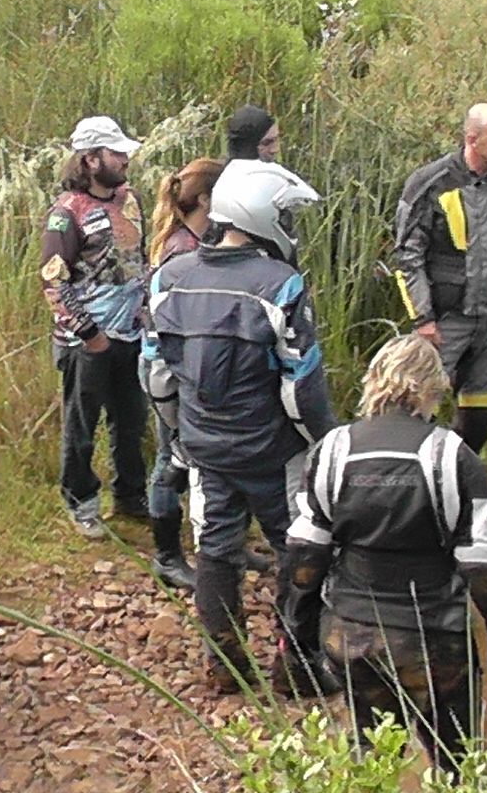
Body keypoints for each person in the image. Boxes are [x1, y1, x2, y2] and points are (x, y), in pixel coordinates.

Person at [284, 333, 487, 777]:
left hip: (353, 637)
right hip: (436, 639)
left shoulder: (332, 450)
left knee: (372, 760)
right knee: (457, 765)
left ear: (373, 383)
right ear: (432, 389)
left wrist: (298, 636)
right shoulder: (453, 457)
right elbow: (482, 569)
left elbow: (305, 558)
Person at [145, 158, 337, 695]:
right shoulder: (280, 285)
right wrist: (326, 442)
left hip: (206, 450)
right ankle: (295, 671)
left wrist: (184, 435)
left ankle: (224, 669)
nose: (291, 227)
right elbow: (302, 386)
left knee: (215, 549)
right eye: (285, 216)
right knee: (298, 548)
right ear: (260, 216)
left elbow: (156, 376)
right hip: (274, 453)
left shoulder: (169, 277)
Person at [391, 104, 487, 453]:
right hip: (443, 320)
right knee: (417, 410)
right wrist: (422, 318)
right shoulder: (431, 183)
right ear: (472, 139)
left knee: (477, 426)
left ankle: (457, 485)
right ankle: (407, 486)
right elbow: (407, 256)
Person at [43, 115, 151, 540]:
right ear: (89, 160)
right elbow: (53, 280)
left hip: (132, 332)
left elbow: (142, 257)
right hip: (85, 341)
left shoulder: (132, 200)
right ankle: (81, 502)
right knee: (81, 424)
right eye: (115, 152)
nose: (124, 160)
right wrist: (90, 333)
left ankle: (131, 495)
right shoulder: (65, 213)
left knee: (132, 421)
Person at [143, 157, 226, 592]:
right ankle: (167, 555)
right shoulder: (182, 249)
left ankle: (214, 543)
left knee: (191, 456)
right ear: (208, 199)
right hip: (166, 367)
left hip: (181, 363)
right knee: (170, 458)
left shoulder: (194, 239)